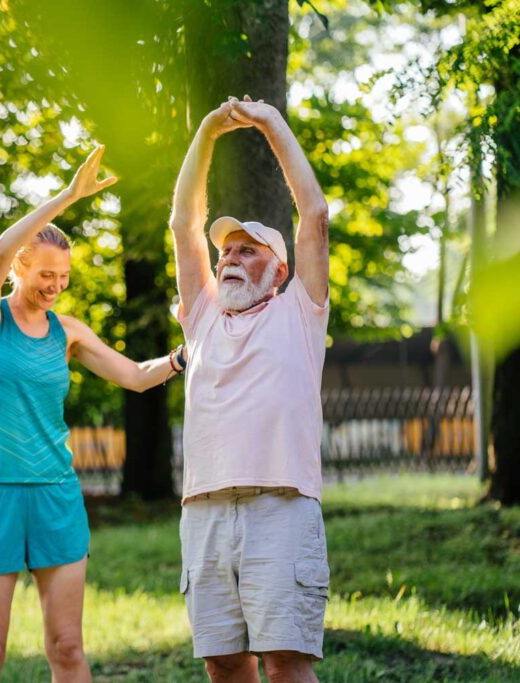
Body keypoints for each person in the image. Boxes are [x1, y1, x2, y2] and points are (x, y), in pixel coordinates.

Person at [0, 145, 184, 682]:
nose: (56, 286)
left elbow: (133, 375)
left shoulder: (69, 332)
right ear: (19, 268)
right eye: (45, 275)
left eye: (63, 276)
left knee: (67, 648)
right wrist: (68, 197)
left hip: (56, 495)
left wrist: (184, 357)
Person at [169, 96, 331, 683]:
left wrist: (270, 123)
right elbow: (184, 224)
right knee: (224, 663)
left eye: (247, 250)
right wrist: (208, 131)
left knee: (285, 662)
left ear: (279, 269)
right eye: (226, 252)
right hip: (205, 512)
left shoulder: (300, 314)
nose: (230, 258)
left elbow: (312, 213)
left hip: (280, 506)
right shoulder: (204, 318)